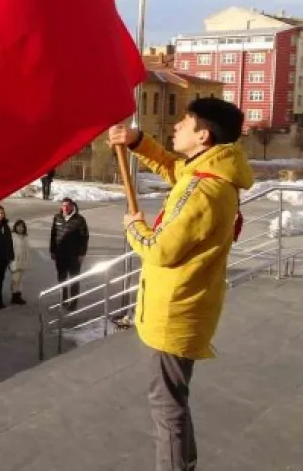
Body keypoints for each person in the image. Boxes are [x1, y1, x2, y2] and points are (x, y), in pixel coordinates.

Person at [108, 96, 252, 471]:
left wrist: (134, 227)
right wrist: (138, 141)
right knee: (173, 401)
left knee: (166, 408)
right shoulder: (209, 174)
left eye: (184, 123)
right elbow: (176, 170)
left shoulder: (205, 189)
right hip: (181, 308)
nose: (175, 126)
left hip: (173, 315)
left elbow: (160, 250)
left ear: (203, 136)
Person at [49, 198, 89, 311]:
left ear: (72, 206)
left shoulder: (80, 220)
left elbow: (84, 237)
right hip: (60, 254)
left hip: (74, 255)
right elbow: (53, 235)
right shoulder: (57, 218)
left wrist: (82, 254)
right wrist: (52, 251)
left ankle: (74, 302)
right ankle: (64, 299)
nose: (65, 208)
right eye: (63, 205)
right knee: (62, 278)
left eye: (68, 205)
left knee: (73, 279)